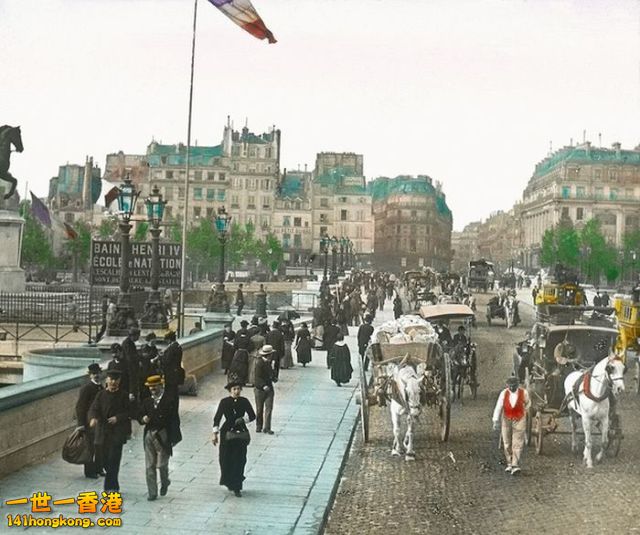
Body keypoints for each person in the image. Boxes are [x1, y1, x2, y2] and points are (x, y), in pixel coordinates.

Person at [88, 369, 133, 492]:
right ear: (107, 380)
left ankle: (110, 488)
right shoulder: (101, 395)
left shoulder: (124, 395)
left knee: (114, 459)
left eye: (116, 380)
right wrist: (93, 418)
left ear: (119, 381)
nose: (113, 382)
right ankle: (114, 483)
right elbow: (94, 408)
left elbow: (130, 412)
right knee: (104, 461)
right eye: (111, 379)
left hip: (117, 432)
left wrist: (118, 418)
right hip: (103, 432)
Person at [138, 375, 181, 501]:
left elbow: (174, 420)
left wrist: (174, 438)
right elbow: (139, 414)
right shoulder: (146, 402)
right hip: (149, 435)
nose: (152, 389)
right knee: (149, 465)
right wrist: (142, 419)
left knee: (162, 465)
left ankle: (165, 481)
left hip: (163, 435)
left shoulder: (169, 401)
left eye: (155, 386)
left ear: (161, 386)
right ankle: (152, 492)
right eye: (150, 387)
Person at [212, 380, 256, 497]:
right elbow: (217, 418)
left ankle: (237, 485)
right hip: (226, 433)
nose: (237, 391)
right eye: (234, 389)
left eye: (238, 389)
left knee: (240, 459)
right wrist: (215, 433)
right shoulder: (224, 402)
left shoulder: (244, 401)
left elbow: (252, 415)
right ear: (230, 391)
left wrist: (243, 420)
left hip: (240, 432)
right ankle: (228, 481)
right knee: (225, 458)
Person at [492, 376, 531, 475]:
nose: (512, 388)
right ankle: (509, 463)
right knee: (507, 442)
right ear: (507, 385)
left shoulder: (524, 393)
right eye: (510, 386)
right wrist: (495, 420)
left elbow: (528, 403)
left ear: (517, 385)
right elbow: (498, 407)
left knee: (518, 442)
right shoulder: (503, 393)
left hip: (519, 419)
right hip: (506, 419)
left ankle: (515, 464)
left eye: (514, 386)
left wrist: (524, 411)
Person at [75, 363, 104, 479]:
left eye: (97, 373)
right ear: (90, 375)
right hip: (89, 422)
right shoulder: (86, 388)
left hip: (99, 422)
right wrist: (81, 424)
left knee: (99, 446)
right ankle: (89, 471)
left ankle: (98, 468)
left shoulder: (100, 387)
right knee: (90, 447)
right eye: (94, 374)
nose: (96, 375)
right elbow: (80, 407)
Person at [254, 345, 276, 434]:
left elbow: (271, 375)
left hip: (269, 389)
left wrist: (274, 377)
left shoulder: (269, 363)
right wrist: (263, 386)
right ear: (269, 354)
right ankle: (259, 426)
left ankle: (267, 427)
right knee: (259, 409)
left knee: (269, 408)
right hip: (260, 389)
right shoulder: (259, 363)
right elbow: (257, 377)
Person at [159, 331, 184, 407]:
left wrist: (161, 357)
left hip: (171, 374)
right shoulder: (178, 346)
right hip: (176, 373)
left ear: (169, 340)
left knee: (170, 391)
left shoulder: (172, 348)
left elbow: (167, 360)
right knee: (174, 392)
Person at [122, 327, 141, 401]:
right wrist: (139, 357)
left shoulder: (130, 342)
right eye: (137, 336)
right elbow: (129, 357)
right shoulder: (127, 343)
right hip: (129, 369)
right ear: (133, 335)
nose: (138, 338)